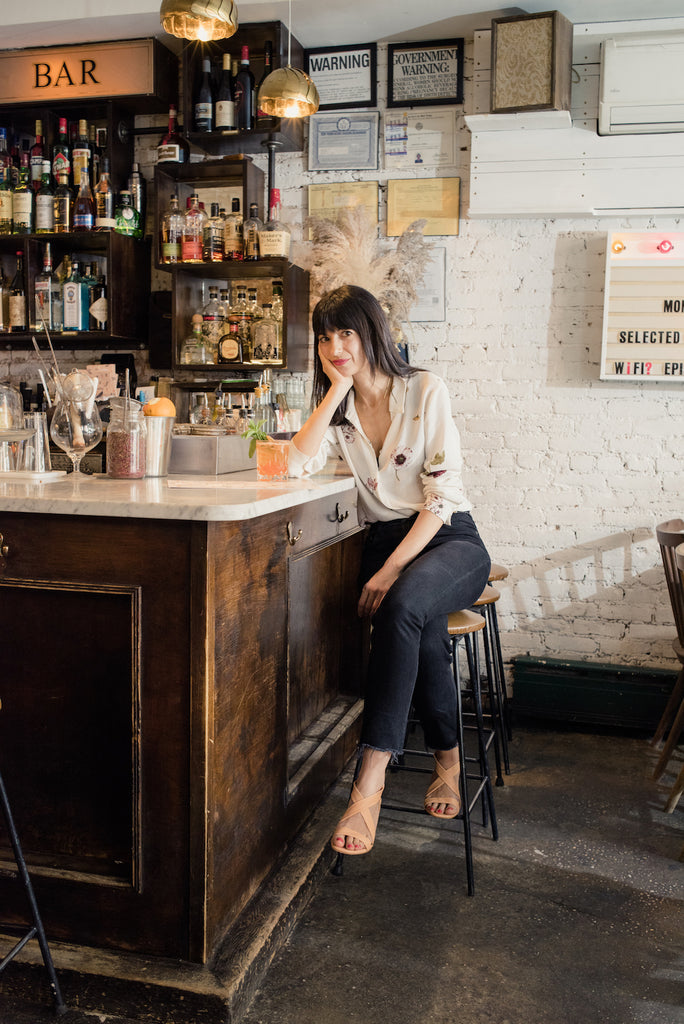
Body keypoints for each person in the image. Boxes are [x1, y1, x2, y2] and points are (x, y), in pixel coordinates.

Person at [288, 285, 491, 855]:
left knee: (401, 605)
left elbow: (440, 497)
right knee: (420, 633)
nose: (334, 346)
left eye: (345, 333)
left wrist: (389, 571)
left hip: (448, 538)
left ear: (372, 331)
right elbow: (296, 465)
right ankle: (448, 759)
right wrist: (335, 391)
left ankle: (369, 780)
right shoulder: (340, 410)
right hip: (385, 541)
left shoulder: (425, 389)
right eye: (325, 337)